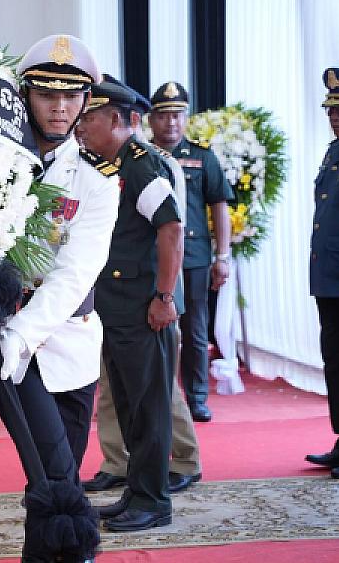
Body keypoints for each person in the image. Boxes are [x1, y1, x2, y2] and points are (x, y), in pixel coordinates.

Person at [0, 35, 115, 563]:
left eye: (71, 96)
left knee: (56, 477)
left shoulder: (96, 186)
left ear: (85, 102)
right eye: (47, 94)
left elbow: (74, 278)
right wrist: (6, 333)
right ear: (25, 95)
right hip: (3, 339)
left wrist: (24, 334)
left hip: (65, 344)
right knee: (55, 479)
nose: (59, 107)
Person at [83, 80, 203, 495]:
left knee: (152, 404)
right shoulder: (112, 164)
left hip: (145, 306)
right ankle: (135, 488)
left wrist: (165, 297)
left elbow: (171, 227)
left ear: (116, 120)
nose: (81, 127)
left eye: (89, 118)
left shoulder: (142, 163)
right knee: (130, 404)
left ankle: (152, 498)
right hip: (118, 303)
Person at [149, 81, 234, 422]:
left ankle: (197, 397)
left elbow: (219, 206)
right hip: (152, 258)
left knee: (196, 331)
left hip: (194, 257)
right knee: (156, 327)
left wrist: (222, 257)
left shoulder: (203, 157)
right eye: (164, 116)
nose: (171, 123)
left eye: (178, 115)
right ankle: (159, 397)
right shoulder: (143, 156)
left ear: (187, 118)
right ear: (151, 120)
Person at [305, 67, 339, 479]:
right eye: (330, 110)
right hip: (329, 277)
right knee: (334, 358)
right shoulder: (333, 151)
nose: (334, 117)